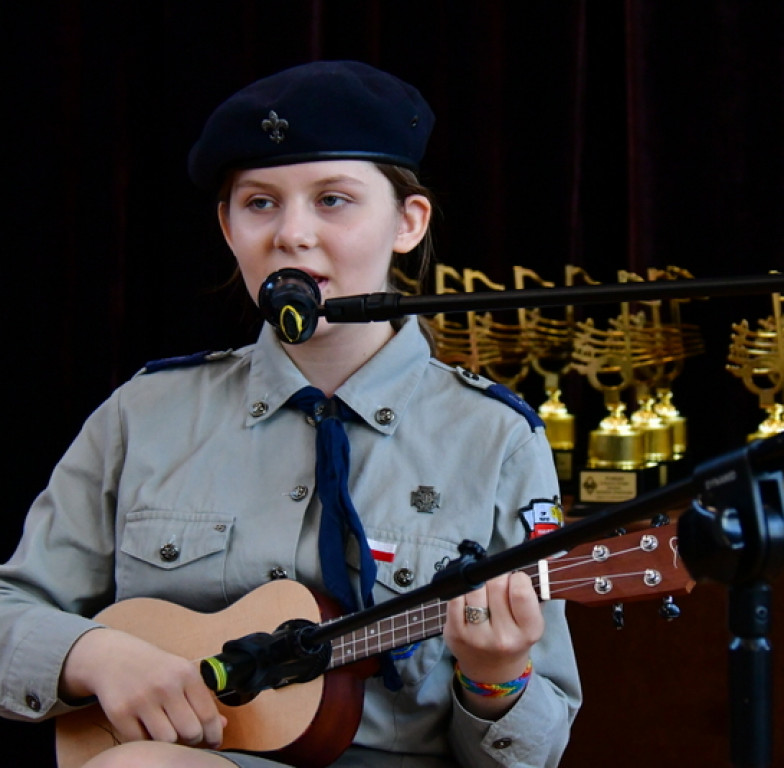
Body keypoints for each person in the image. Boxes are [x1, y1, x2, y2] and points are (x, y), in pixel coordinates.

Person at [0, 60, 581, 768]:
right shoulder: (142, 415)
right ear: (227, 226)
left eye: (333, 200)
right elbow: (11, 606)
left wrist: (497, 676)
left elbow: (529, 756)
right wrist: (94, 655)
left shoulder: (496, 438)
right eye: (260, 203)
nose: (292, 234)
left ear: (408, 222)